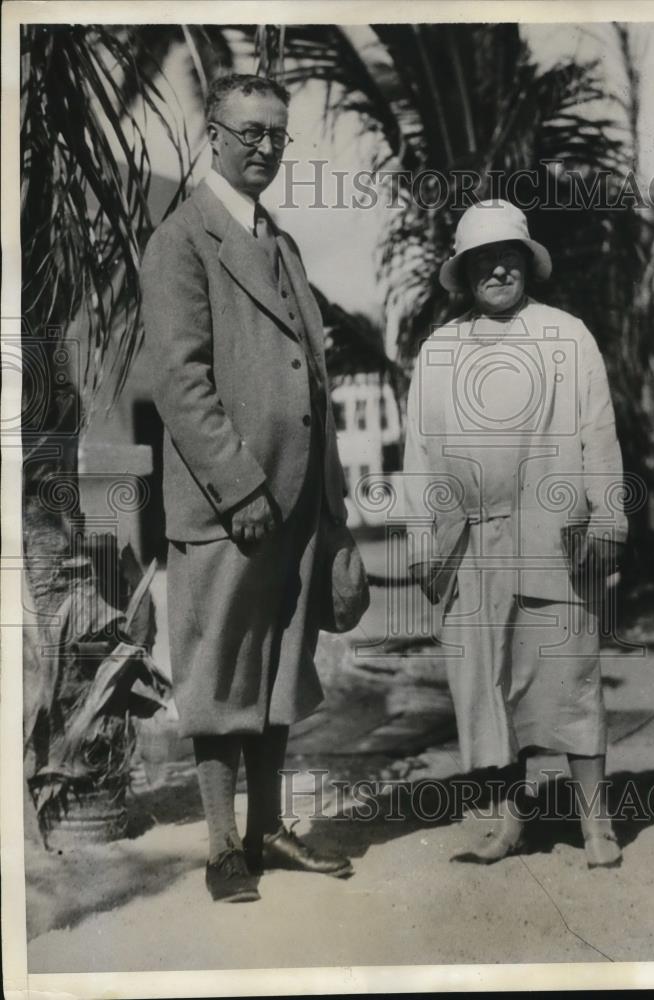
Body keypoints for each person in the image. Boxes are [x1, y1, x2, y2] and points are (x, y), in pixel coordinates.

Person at [140, 74, 353, 902]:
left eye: (278, 133)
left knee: (275, 676)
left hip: (296, 504)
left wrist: (326, 510)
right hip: (229, 508)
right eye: (250, 131)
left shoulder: (283, 243)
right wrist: (238, 485)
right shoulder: (184, 239)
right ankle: (223, 848)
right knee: (219, 676)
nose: (265, 146)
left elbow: (312, 380)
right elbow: (180, 382)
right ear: (214, 137)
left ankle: (266, 832)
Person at [403, 200, 628, 869]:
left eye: (508, 256)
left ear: (527, 263)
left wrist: (609, 519)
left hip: (554, 536)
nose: (496, 268)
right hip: (468, 547)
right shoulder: (438, 351)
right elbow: (418, 454)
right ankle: (507, 822)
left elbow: (598, 435)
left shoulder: (566, 336)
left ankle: (595, 823)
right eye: (481, 259)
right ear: (464, 271)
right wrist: (422, 540)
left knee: (568, 677)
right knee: (485, 688)